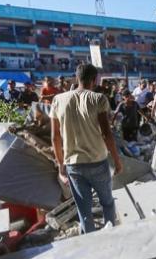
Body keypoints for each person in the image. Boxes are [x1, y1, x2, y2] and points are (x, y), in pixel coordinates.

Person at [50, 64, 123, 234]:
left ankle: (90, 244)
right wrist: (117, 162)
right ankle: (111, 238)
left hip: (73, 165)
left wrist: (61, 166)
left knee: (84, 211)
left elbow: (55, 138)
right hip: (97, 162)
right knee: (107, 203)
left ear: (77, 78)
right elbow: (107, 134)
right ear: (94, 79)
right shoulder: (98, 99)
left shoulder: (58, 100)